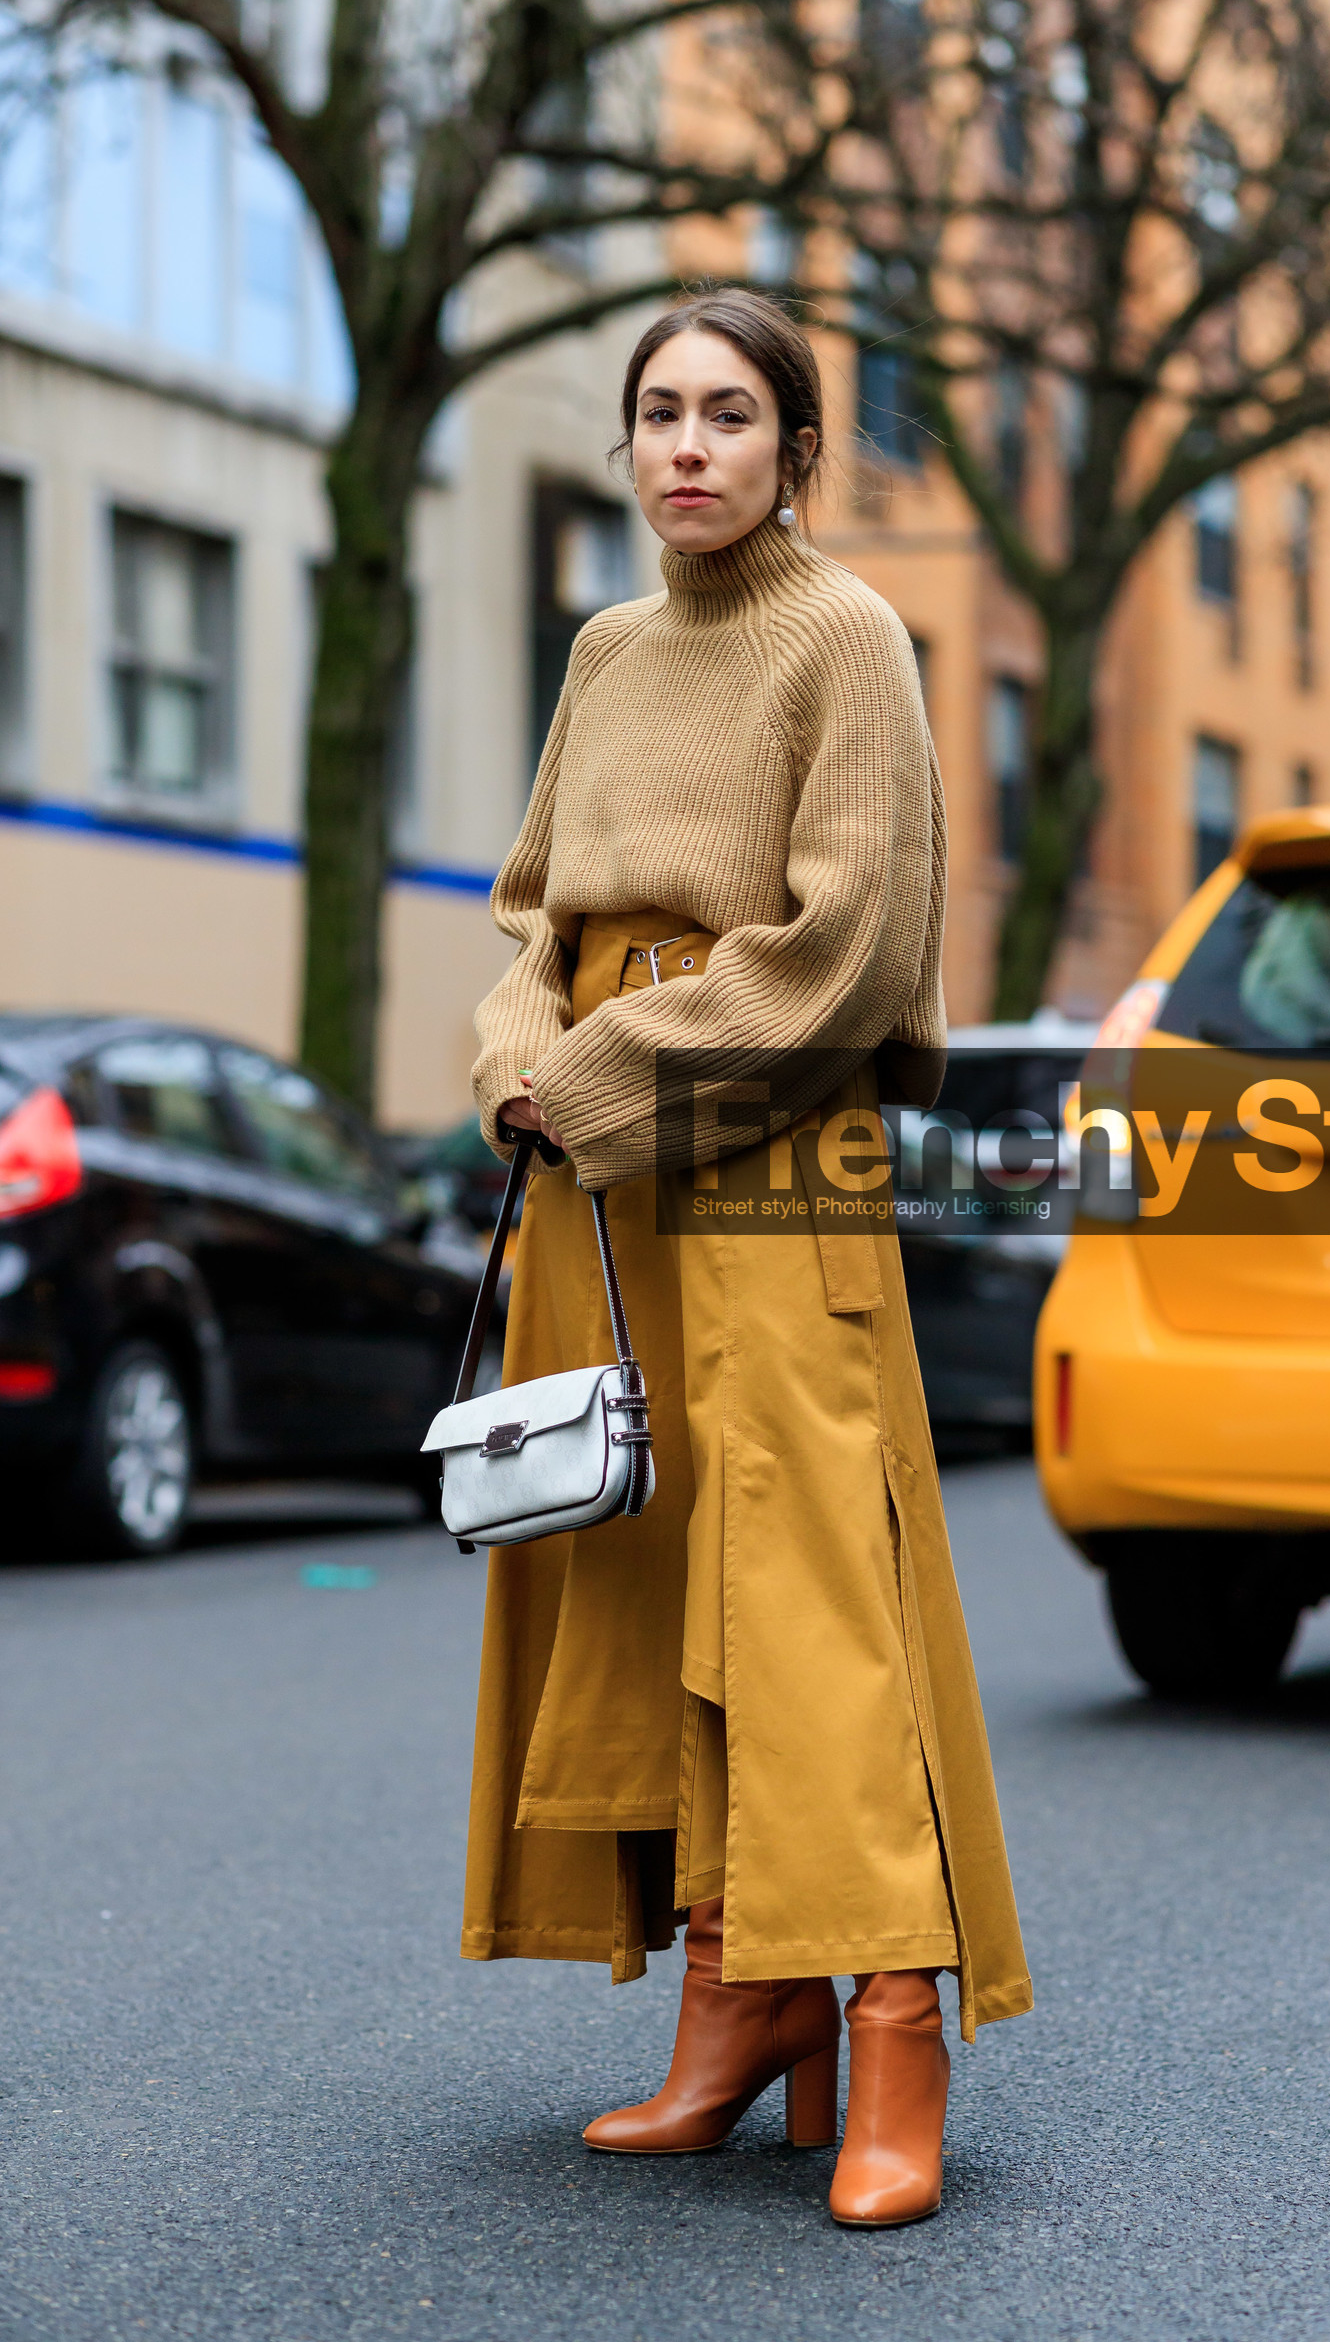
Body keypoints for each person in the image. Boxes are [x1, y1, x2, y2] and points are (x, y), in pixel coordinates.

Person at [464, 285, 1031, 2229]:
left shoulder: (846, 635)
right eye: (654, 412)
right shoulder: (608, 650)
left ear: (795, 447)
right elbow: (533, 914)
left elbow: (849, 955)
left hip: (775, 1153)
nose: (685, 444)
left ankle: (887, 2023)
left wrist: (597, 1076)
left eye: (727, 412)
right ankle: (740, 1994)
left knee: (808, 1600)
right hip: (596, 1167)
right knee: (646, 1584)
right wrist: (512, 1060)